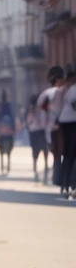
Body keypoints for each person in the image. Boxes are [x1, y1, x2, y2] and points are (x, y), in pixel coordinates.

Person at [37, 65, 64, 185]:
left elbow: (41, 114)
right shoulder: (61, 92)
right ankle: (60, 179)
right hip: (61, 128)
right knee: (64, 154)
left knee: (56, 154)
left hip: (49, 130)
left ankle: (56, 178)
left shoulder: (45, 95)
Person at [58, 68, 76, 199]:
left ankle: (65, 185)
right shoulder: (74, 89)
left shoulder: (69, 90)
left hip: (67, 124)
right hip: (71, 125)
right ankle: (70, 185)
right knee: (71, 156)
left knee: (69, 156)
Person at [25, 93, 48, 182]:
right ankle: (40, 172)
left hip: (36, 132)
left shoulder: (38, 110)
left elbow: (28, 123)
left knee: (37, 153)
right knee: (41, 152)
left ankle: (38, 171)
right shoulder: (38, 110)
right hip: (39, 132)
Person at [0, 90, 15, 175]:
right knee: (8, 150)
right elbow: (12, 116)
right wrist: (13, 128)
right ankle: (7, 167)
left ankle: (3, 168)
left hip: (1, 130)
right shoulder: (8, 105)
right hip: (7, 130)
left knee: (1, 150)